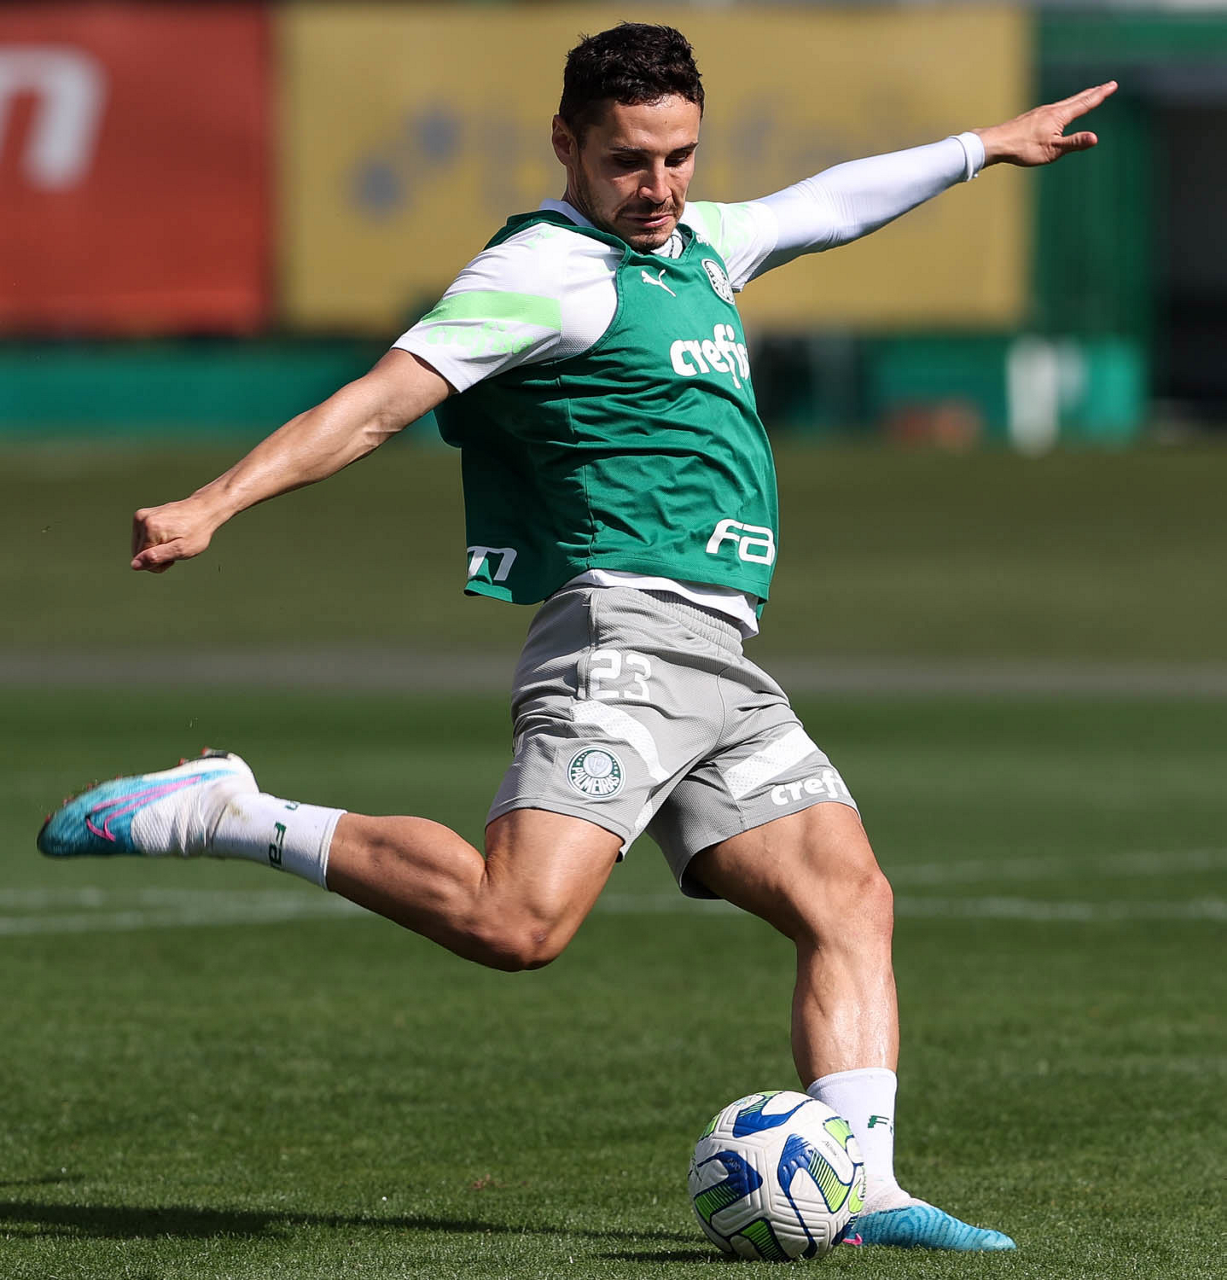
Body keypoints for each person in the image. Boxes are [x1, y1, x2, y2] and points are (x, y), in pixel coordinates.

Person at [39, 23, 1114, 1252]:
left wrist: (987, 145)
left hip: (721, 658)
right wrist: (214, 502)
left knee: (849, 896)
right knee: (516, 922)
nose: (658, 188)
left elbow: (826, 205)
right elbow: (376, 405)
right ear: (566, 143)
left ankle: (861, 1181)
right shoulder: (540, 273)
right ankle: (228, 811)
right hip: (626, 638)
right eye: (627, 161)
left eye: (679, 157)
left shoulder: (703, 244)